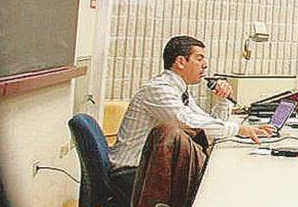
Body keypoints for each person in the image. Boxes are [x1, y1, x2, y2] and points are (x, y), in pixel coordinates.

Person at [110, 36, 273, 196]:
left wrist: (224, 100)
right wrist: (239, 129)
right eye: (199, 58)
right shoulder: (158, 90)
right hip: (131, 172)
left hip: (148, 168)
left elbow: (205, 123)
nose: (205, 64)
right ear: (180, 61)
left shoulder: (179, 90)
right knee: (216, 184)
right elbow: (190, 123)